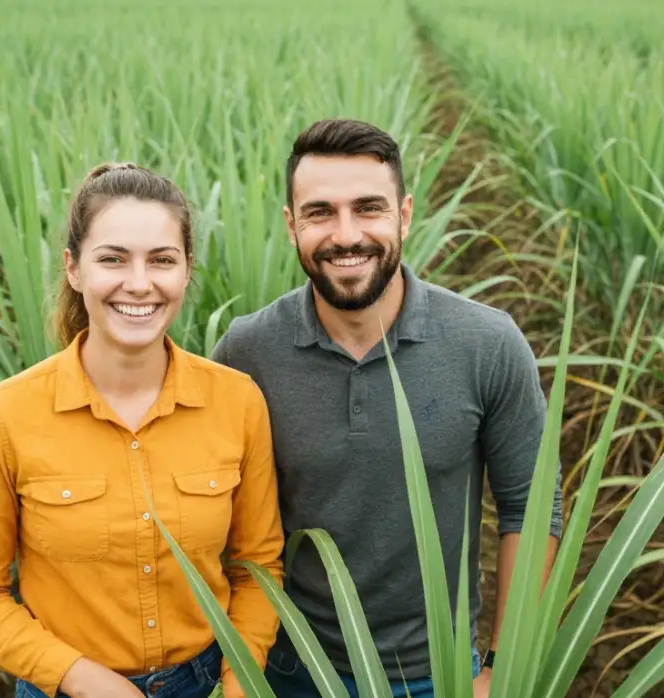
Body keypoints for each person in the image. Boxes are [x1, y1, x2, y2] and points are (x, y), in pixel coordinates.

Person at [210, 119, 563, 698]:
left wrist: (500, 670)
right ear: (290, 225)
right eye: (320, 212)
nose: (346, 235)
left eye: (368, 208)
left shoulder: (488, 343)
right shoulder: (247, 351)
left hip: (440, 675)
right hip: (289, 669)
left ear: (403, 214)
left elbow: (530, 504)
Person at [0, 162, 285, 698]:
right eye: (113, 259)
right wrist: (85, 680)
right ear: (74, 269)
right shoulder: (3, 415)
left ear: (186, 270)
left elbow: (258, 568)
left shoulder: (236, 401)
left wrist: (240, 680)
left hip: (208, 681)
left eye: (162, 261)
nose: (140, 283)